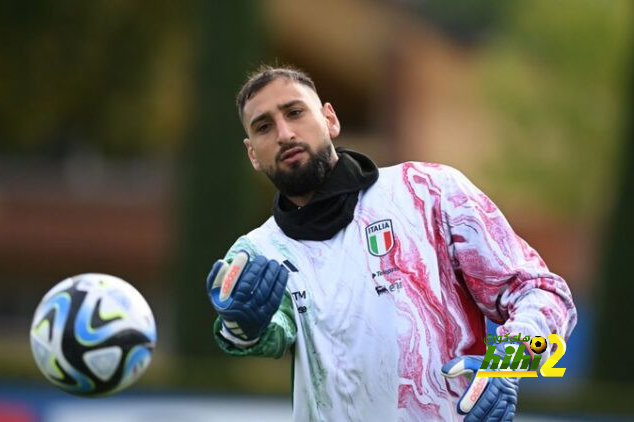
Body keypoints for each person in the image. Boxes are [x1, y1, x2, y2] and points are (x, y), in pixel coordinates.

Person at [206, 65, 577, 421]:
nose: (285, 133)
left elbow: (544, 293)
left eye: (295, 112)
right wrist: (241, 325)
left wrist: (508, 365)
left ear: (330, 119)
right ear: (252, 153)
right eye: (264, 126)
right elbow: (258, 334)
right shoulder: (258, 253)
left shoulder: (429, 192)